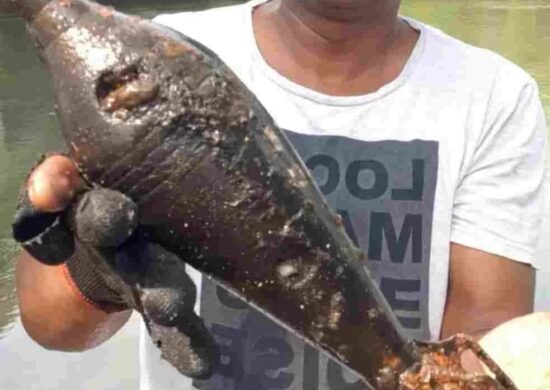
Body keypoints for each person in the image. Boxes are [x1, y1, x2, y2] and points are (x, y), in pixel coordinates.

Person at [14, 0, 547, 389]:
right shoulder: (168, 48)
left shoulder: (492, 96)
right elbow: (52, 326)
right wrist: (98, 273)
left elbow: (485, 333)